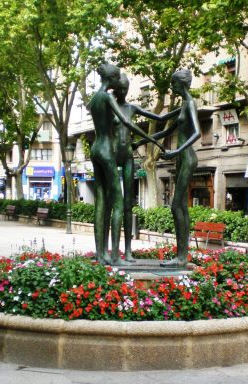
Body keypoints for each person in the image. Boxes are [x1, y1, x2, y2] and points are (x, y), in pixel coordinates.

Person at [89, 63, 164, 265]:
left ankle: (101, 253)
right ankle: (114, 256)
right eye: (117, 82)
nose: (119, 88)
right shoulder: (106, 97)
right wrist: (153, 139)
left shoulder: (94, 98)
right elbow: (127, 122)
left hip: (95, 148)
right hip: (106, 150)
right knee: (119, 204)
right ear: (112, 80)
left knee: (102, 202)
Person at [136, 69, 200, 267]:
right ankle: (182, 255)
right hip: (180, 158)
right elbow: (163, 124)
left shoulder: (190, 104)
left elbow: (197, 132)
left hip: (187, 157)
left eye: (173, 84)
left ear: (181, 84)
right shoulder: (182, 107)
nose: (171, 88)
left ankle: (181, 257)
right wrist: (140, 141)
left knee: (175, 206)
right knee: (181, 207)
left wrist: (176, 151)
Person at [113, 74, 180, 262]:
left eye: (126, 88)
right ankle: (113, 251)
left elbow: (160, 117)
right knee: (115, 204)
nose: (124, 91)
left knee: (127, 206)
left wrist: (183, 109)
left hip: (127, 156)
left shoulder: (131, 108)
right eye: (121, 88)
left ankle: (127, 251)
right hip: (111, 155)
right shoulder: (110, 107)